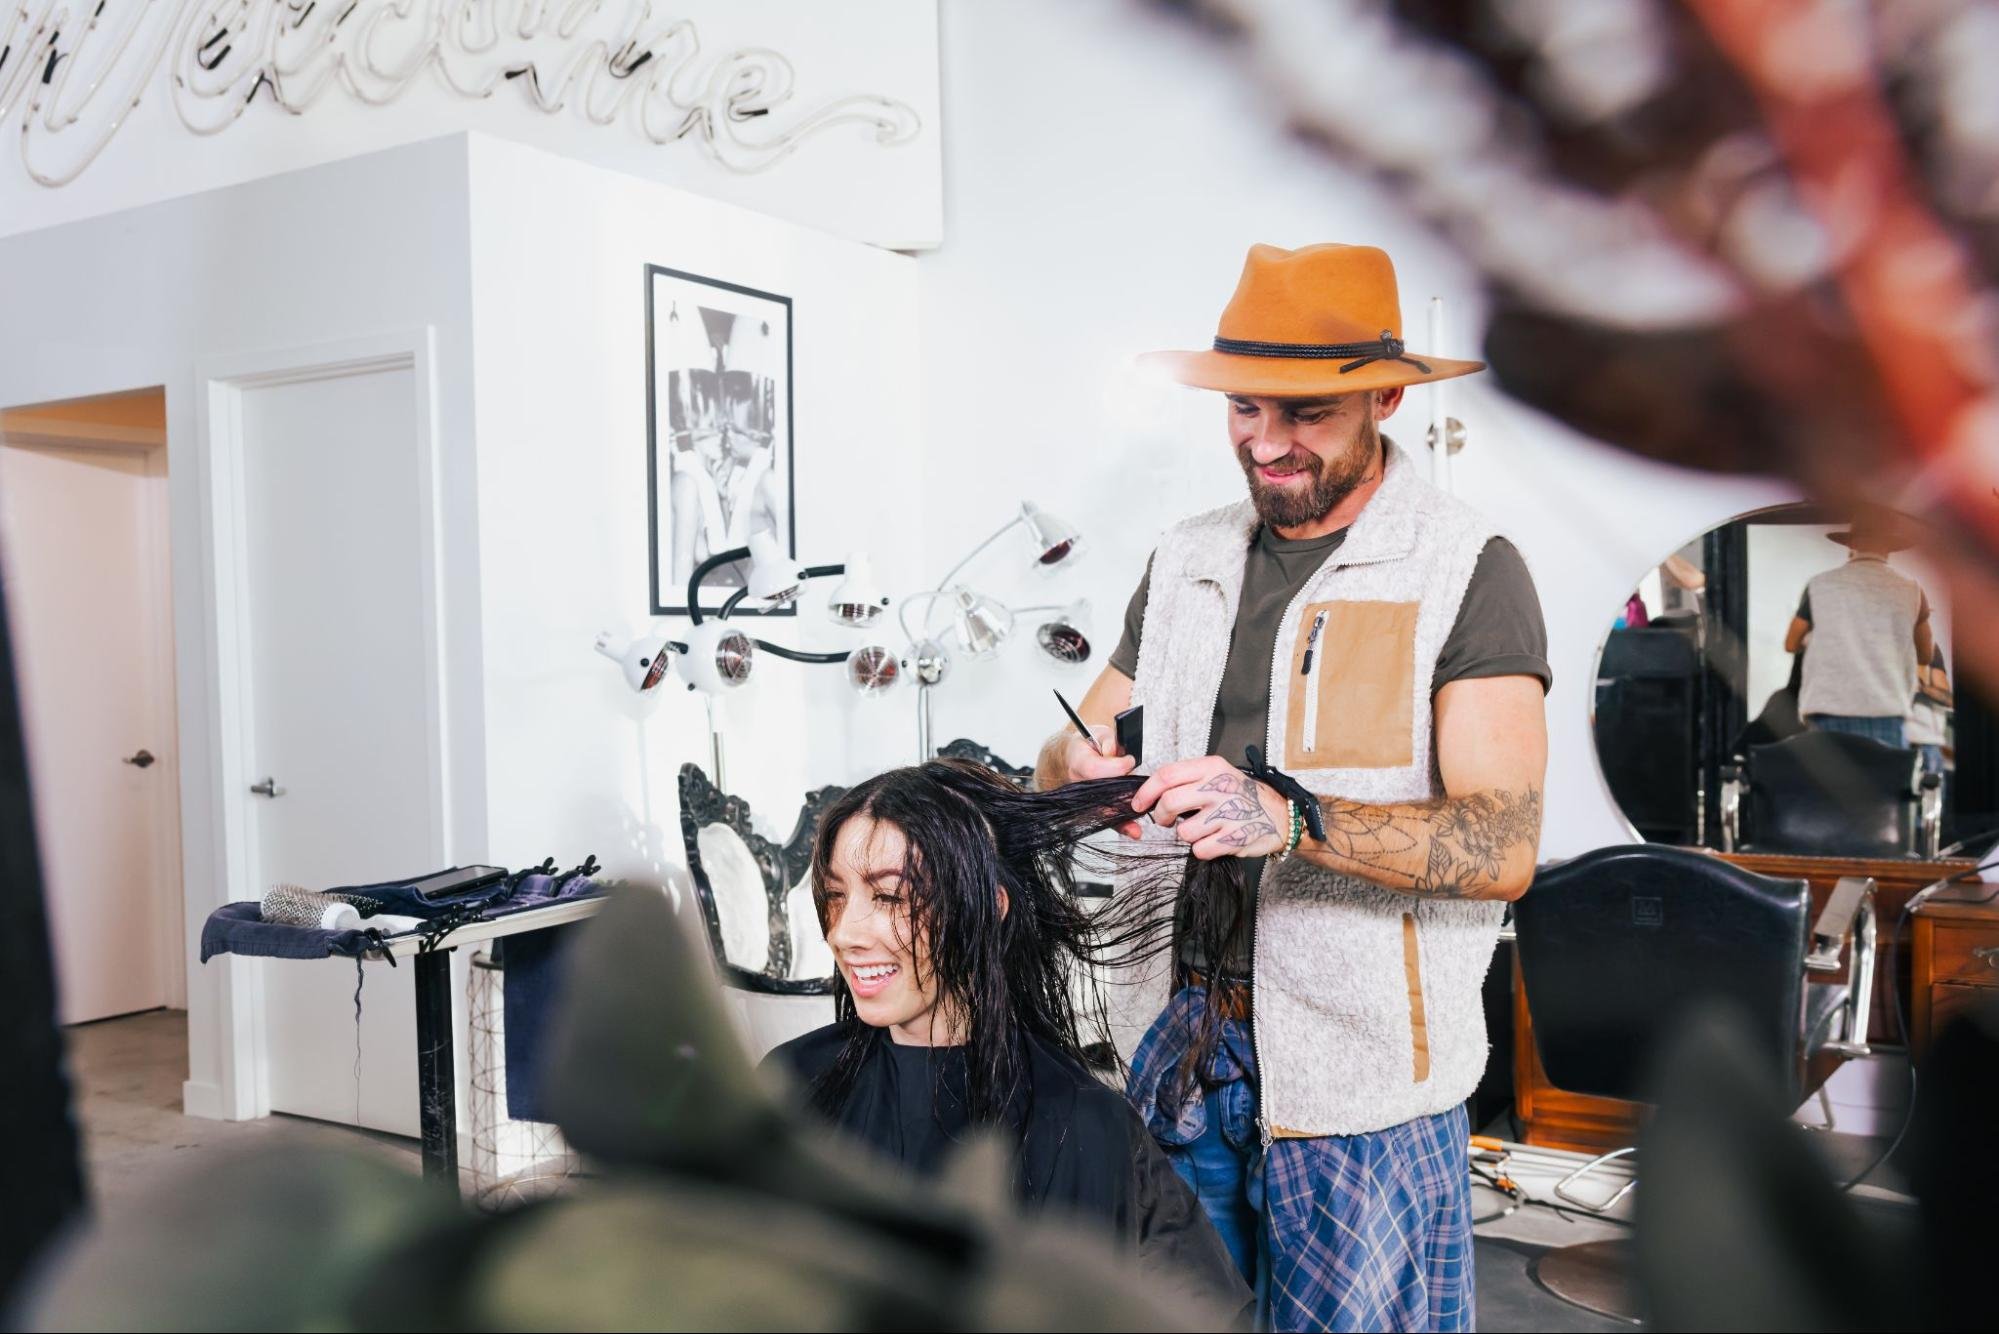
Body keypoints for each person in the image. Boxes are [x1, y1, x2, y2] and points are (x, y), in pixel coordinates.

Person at [1036, 243, 1550, 1332]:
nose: (1266, 442)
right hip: (1175, 1046)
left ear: (1386, 396)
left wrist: (1290, 818)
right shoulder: (1183, 560)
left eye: (1306, 415)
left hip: (1356, 1078)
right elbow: (1070, 742)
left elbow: (1501, 843)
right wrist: (1072, 768)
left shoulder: (1464, 567)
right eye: (1243, 409)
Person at [763, 760, 1252, 1323]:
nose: (844, 933)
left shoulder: (1084, 1125)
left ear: (990, 907)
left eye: (891, 898)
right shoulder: (795, 1084)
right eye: (836, 896)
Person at [1785, 520, 1931, 748]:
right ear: (1889, 548)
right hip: (1886, 708)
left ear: (1851, 546)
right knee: (1884, 781)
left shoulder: (1820, 584)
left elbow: (1791, 643)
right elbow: (1925, 653)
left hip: (1828, 706)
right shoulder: (1911, 589)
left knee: (1828, 782)